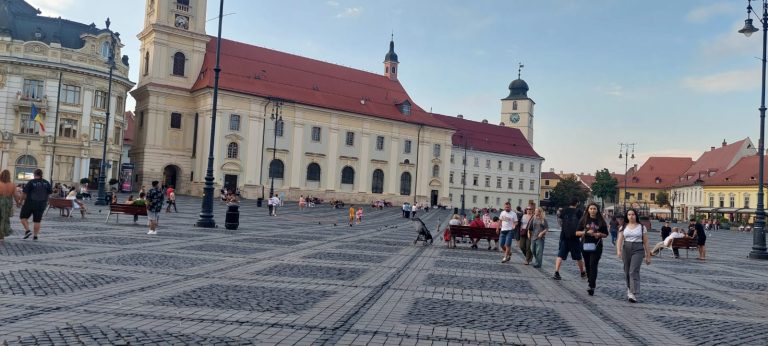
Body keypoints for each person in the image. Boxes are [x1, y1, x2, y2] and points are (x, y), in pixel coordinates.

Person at [616, 208, 651, 303]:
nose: (631, 216)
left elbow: (646, 242)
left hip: (638, 249)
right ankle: (629, 288)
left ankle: (632, 292)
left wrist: (648, 256)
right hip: (626, 248)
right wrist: (618, 251)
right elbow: (619, 240)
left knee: (633, 271)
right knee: (627, 271)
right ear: (627, 216)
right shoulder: (623, 226)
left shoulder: (641, 227)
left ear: (636, 216)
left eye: (633, 214)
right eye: (629, 214)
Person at [579, 203, 609, 296]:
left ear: (597, 210)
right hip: (585, 245)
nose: (592, 210)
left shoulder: (601, 221)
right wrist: (586, 232)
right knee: (587, 265)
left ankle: (592, 286)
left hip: (597, 246)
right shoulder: (584, 220)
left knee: (593, 264)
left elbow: (606, 234)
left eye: (594, 209)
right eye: (591, 208)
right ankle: (590, 281)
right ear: (588, 209)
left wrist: (599, 234)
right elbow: (576, 232)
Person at [553, 197, 586, 281]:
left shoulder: (564, 210)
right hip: (575, 237)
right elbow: (582, 223)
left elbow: (559, 221)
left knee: (560, 255)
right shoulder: (579, 211)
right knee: (578, 257)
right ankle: (582, 272)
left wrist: (563, 228)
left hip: (564, 236)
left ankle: (556, 272)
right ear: (577, 203)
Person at [18, 169, 52, 240]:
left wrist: (20, 201)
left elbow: (24, 193)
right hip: (41, 204)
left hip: (29, 203)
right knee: (37, 220)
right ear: (41, 174)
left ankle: (27, 230)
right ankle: (35, 236)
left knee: (23, 217)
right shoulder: (46, 183)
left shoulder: (31, 182)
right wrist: (46, 202)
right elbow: (49, 194)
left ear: (34, 174)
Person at [0, 170, 19, 242]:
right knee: (4, 218)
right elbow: (16, 195)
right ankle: (2, 234)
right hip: (8, 203)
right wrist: (18, 203)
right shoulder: (12, 185)